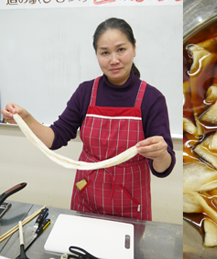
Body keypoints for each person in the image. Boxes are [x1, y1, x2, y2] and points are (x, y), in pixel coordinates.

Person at [1, 17, 175, 221]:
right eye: (105, 53)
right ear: (97, 55)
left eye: (121, 49)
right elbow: (55, 138)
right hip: (86, 197)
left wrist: (160, 154)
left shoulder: (151, 98)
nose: (114, 60)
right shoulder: (86, 92)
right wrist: (27, 118)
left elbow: (163, 169)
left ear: (134, 48)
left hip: (130, 203)